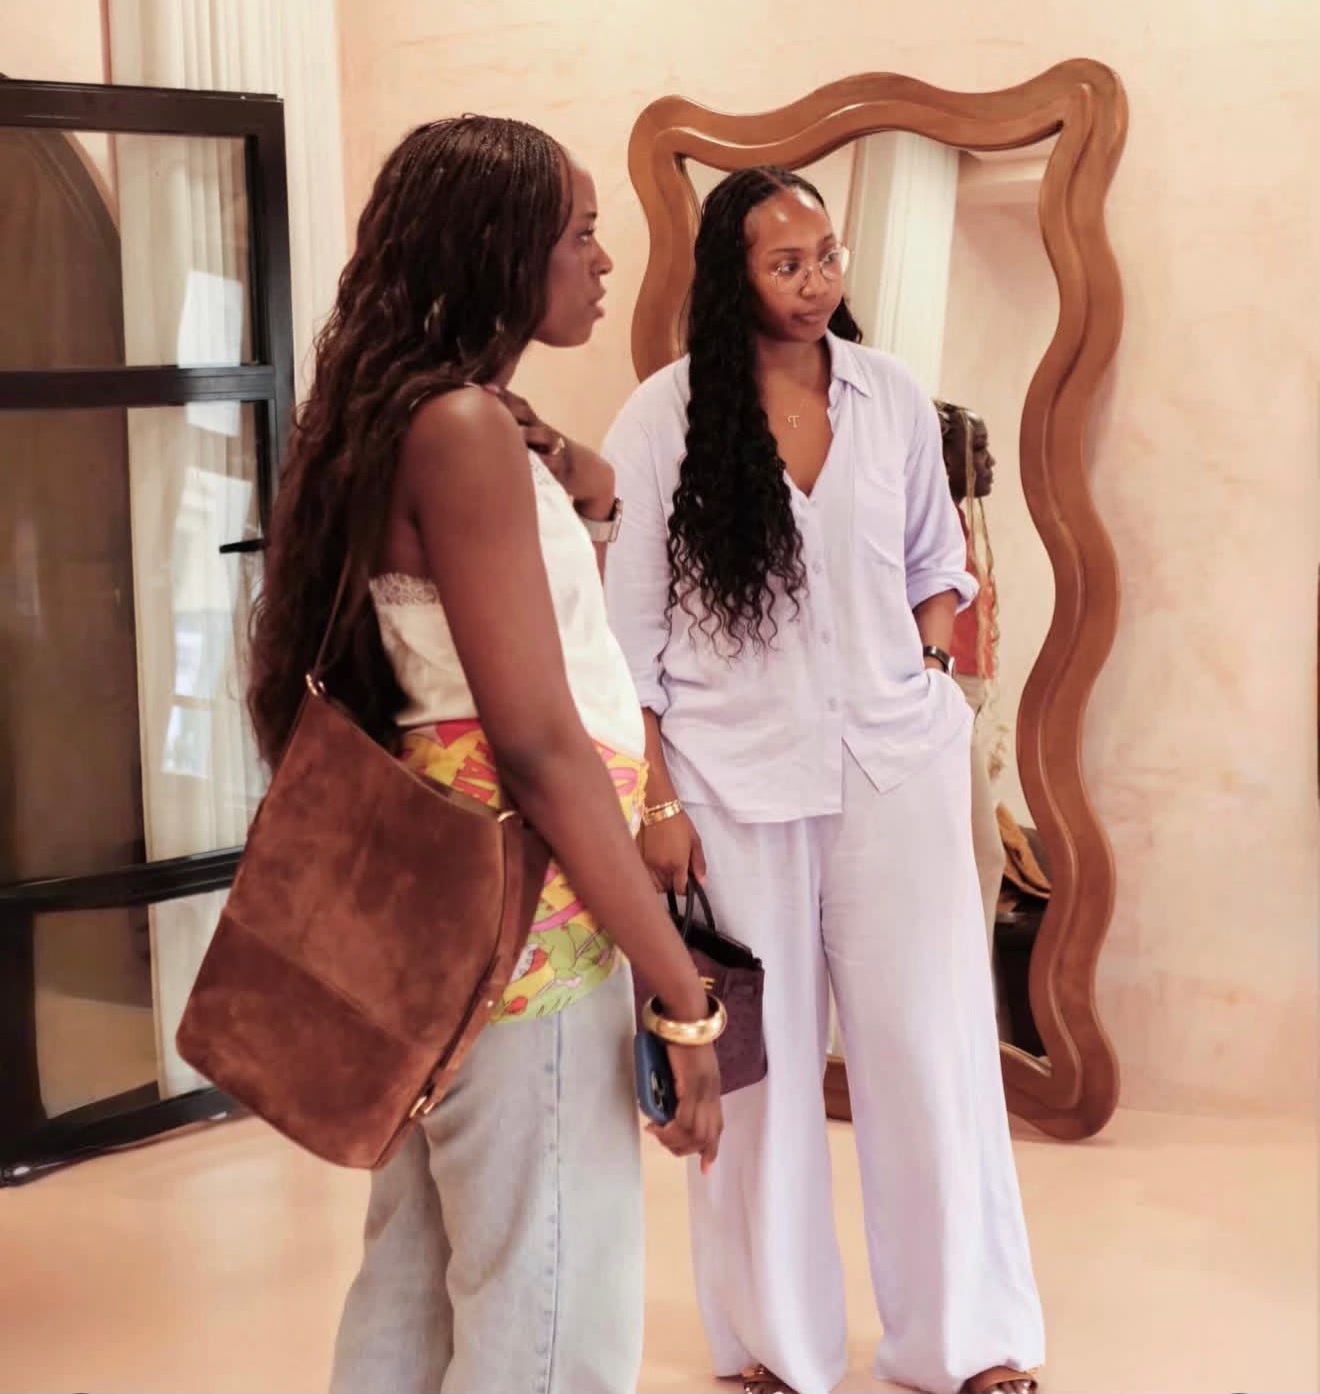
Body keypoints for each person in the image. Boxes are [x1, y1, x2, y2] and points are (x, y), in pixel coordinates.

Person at [246, 116, 724, 1394]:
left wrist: (587, 487)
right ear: (501, 251)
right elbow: (542, 742)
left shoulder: (424, 416)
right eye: (580, 233)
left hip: (454, 907)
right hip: (527, 911)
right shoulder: (460, 427)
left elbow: (549, 660)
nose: (603, 259)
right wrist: (681, 989)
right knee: (550, 1311)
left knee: (417, 1279)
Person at [601, 166, 1044, 1394]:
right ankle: (775, 1348)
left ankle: (966, 1342)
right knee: (761, 1075)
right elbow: (627, 638)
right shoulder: (662, 419)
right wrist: (656, 801)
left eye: (827, 254)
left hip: (895, 766)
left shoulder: (888, 393)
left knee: (932, 1052)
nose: (815, 281)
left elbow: (936, 563)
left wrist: (934, 663)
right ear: (730, 277)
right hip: (731, 783)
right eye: (785, 263)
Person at [937, 399, 1009, 946]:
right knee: (985, 856)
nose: (989, 463)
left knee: (976, 855)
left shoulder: (955, 520)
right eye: (978, 450)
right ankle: (969, 988)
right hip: (940, 699)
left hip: (958, 699)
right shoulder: (931, 523)